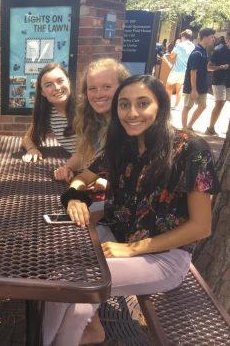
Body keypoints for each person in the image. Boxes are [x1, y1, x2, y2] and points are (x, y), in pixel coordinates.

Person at [45, 75, 218, 346]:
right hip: (116, 237)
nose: (132, 113)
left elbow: (201, 227)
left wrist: (133, 249)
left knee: (66, 282)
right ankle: (76, 335)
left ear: (161, 105)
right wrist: (75, 198)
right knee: (66, 280)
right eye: (124, 105)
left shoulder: (192, 151)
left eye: (143, 103)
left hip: (163, 258)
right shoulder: (122, 144)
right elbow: (82, 178)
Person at [54, 58, 129, 183]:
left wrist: (106, 181)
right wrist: (66, 168)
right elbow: (84, 153)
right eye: (92, 88)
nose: (98, 94)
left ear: (123, 88)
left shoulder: (130, 125)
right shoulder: (95, 120)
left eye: (107, 87)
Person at [22, 63, 76, 162]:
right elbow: (27, 138)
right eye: (48, 85)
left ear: (68, 81)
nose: (57, 87)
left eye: (60, 81)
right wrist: (32, 149)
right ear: (42, 92)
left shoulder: (85, 108)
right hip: (77, 166)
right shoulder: (48, 114)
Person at [182, 28, 216, 131]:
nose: (213, 39)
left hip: (201, 85)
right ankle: (184, 129)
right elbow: (193, 72)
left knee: (203, 106)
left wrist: (218, 67)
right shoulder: (197, 52)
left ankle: (189, 126)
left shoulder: (204, 51)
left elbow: (204, 68)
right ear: (205, 37)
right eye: (211, 37)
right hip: (192, 86)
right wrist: (193, 89)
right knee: (187, 107)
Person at [205, 31, 230, 136]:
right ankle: (210, 128)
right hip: (219, 81)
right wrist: (220, 67)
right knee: (220, 103)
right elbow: (209, 67)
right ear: (227, 39)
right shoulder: (219, 50)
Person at [163, 29, 194, 108]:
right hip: (186, 70)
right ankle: (176, 105)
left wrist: (177, 45)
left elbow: (172, 56)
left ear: (183, 36)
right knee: (179, 88)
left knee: (168, 86)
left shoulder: (180, 45)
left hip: (176, 70)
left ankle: (168, 104)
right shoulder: (193, 46)